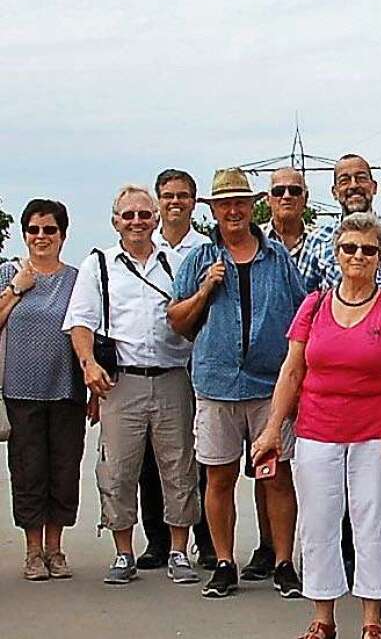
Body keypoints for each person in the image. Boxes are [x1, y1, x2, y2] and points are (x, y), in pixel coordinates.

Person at [252, 212, 381, 639]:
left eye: (368, 249)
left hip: (374, 434)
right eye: (349, 248)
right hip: (317, 431)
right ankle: (322, 618)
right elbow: (292, 371)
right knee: (319, 521)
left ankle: (371, 621)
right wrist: (273, 428)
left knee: (373, 521)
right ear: (337, 253)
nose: (358, 256)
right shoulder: (313, 306)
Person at [168, 168, 306, 599]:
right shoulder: (199, 259)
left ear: (253, 206)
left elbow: (301, 312)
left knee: (277, 477)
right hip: (217, 384)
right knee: (219, 477)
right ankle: (225, 561)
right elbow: (176, 319)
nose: (233, 210)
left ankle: (283, 562)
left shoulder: (277, 256)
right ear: (213, 208)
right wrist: (206, 289)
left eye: (240, 202)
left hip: (268, 385)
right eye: (224, 203)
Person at [63, 185, 200, 586]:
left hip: (174, 378)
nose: (137, 221)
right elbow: (81, 322)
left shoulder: (178, 263)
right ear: (115, 222)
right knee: (118, 470)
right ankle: (124, 553)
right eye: (129, 215)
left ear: (157, 219)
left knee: (179, 468)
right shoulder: (99, 265)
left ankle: (178, 550)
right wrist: (88, 365)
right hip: (120, 381)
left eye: (144, 214)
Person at [0, 200, 85, 581]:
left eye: (49, 230)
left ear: (63, 235)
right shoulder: (8, 273)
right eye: (34, 230)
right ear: (24, 234)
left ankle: (55, 548)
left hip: (66, 388)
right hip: (20, 389)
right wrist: (16, 290)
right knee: (28, 470)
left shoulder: (77, 279)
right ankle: (33, 551)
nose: (41, 237)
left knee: (64, 469)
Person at [139, 168, 215, 571]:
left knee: (197, 457)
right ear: (157, 200)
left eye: (183, 195)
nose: (175, 202)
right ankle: (157, 540)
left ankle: (204, 539)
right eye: (167, 195)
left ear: (193, 200)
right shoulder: (142, 250)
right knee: (152, 459)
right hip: (154, 366)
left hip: (193, 365)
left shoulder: (205, 249)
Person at [298, 154, 381, 294]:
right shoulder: (318, 239)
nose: (354, 185)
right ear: (334, 192)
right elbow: (303, 296)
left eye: (361, 178)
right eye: (345, 181)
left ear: (374, 187)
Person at [263, 167, 315, 273]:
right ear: (268, 200)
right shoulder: (254, 238)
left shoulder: (320, 241)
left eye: (294, 191)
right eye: (279, 191)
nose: (286, 196)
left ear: (306, 198)